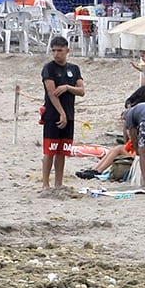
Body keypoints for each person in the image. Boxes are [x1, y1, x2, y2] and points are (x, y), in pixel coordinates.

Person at [40, 35, 85, 192]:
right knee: (50, 150)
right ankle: (45, 183)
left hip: (69, 112)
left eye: (59, 50)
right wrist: (61, 113)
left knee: (62, 150)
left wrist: (67, 87)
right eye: (54, 51)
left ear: (67, 50)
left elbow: (82, 91)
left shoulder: (74, 69)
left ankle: (59, 182)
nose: (56, 54)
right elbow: (52, 93)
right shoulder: (49, 68)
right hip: (53, 114)